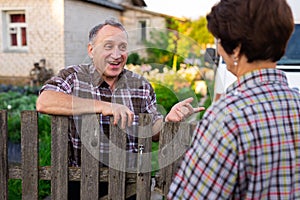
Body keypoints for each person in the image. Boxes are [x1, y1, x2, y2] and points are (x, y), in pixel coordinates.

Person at [36, 18, 204, 199]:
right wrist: (103, 106)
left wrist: (168, 121)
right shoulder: (74, 77)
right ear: (91, 50)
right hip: (80, 182)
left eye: (122, 47)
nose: (117, 54)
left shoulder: (140, 85)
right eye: (108, 46)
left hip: (129, 184)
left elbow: (153, 131)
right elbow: (44, 101)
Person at [168, 0, 300, 199]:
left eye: (219, 40)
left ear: (236, 48)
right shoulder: (296, 102)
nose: (219, 48)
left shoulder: (226, 116)